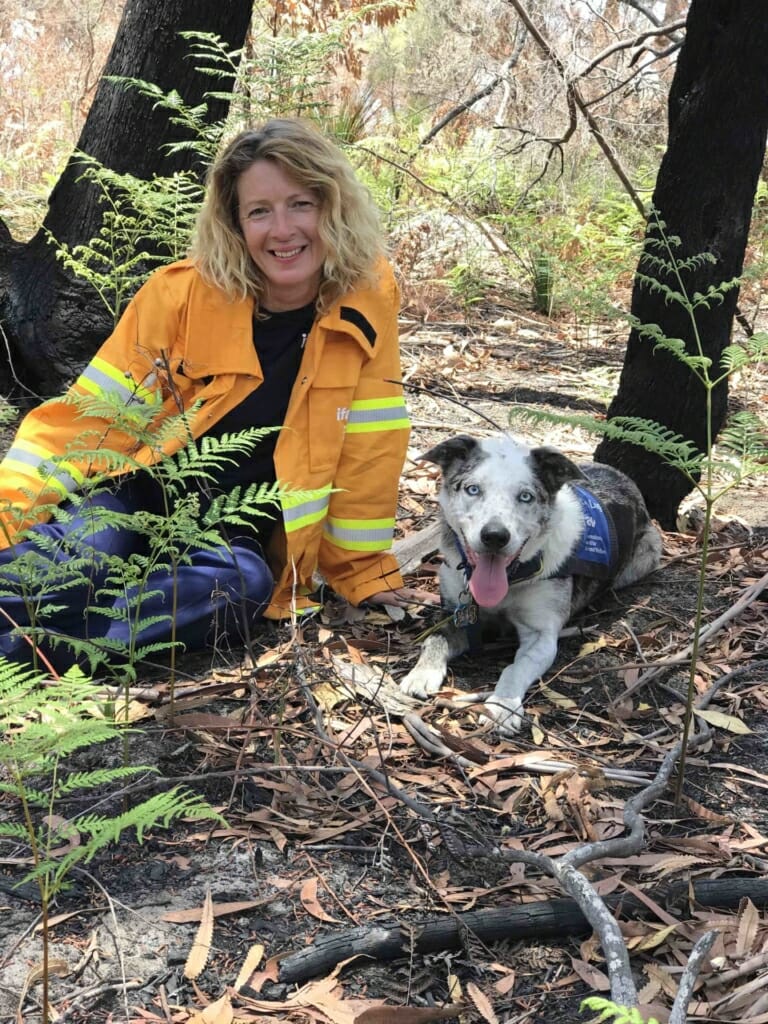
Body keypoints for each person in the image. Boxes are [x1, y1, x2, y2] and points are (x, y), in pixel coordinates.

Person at [0, 117, 431, 671]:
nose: (282, 230)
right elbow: (88, 419)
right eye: (259, 211)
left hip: (233, 528)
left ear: (332, 207)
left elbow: (370, 444)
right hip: (134, 496)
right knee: (81, 565)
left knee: (239, 589)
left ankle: (31, 652)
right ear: (234, 224)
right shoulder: (180, 296)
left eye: (300, 204)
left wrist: (362, 572)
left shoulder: (369, 294)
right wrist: (11, 511)